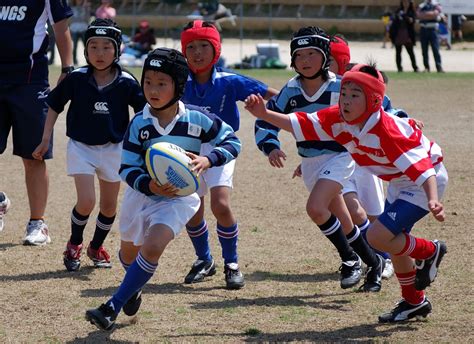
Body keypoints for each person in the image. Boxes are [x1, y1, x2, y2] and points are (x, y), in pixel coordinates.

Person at [245, 63, 448, 323]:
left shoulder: (386, 130)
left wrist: (432, 198)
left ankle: (429, 250)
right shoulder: (339, 117)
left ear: (374, 101)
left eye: (355, 95)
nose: (346, 100)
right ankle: (414, 302)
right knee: (393, 242)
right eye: (344, 93)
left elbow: (423, 168)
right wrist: (264, 113)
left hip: (422, 181)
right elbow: (300, 123)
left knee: (378, 237)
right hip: (400, 182)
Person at [85, 47, 241, 331]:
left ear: (178, 86)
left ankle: (112, 307)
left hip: (180, 199)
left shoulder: (197, 119)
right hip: (141, 195)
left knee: (154, 246)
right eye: (148, 82)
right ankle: (133, 289)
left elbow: (233, 142)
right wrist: (148, 183)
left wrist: (209, 158)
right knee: (129, 255)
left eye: (161, 83)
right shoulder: (140, 124)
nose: (152, 90)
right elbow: (127, 168)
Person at [254, 27, 385, 292]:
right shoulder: (290, 91)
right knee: (343, 218)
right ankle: (373, 263)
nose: (305, 60)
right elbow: (266, 121)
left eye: (312, 53)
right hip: (311, 161)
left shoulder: (342, 86)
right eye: (299, 54)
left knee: (315, 208)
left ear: (326, 55)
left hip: (340, 155)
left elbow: (379, 106)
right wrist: (271, 147)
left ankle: (349, 260)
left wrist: (402, 120)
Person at [32, 19, 146, 271]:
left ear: (118, 50)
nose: (100, 53)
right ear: (85, 50)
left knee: (108, 206)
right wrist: (45, 138)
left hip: (114, 149)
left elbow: (143, 114)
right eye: (94, 47)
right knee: (86, 202)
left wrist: (144, 145)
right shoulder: (77, 78)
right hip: (81, 147)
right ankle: (74, 244)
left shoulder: (127, 81)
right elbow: (54, 105)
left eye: (107, 47)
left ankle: (95, 246)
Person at [180, 20, 278, 290]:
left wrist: (296, 107)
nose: (197, 52)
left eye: (204, 46)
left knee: (220, 205)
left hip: (222, 147)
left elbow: (272, 94)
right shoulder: (178, 81)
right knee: (192, 209)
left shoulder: (229, 80)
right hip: (186, 149)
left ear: (216, 50)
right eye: (191, 47)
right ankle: (204, 260)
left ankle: (231, 263)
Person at [0, 0, 73, 246]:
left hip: (30, 82)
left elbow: (61, 27)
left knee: (34, 155)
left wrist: (67, 67)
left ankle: (37, 223)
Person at [328, 36, 394, 280]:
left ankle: (384, 256)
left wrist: (405, 119)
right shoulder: (318, 90)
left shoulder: (356, 82)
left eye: (329, 61)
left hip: (365, 163)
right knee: (353, 211)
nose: (322, 65)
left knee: (374, 215)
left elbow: (386, 107)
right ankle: (373, 257)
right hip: (337, 163)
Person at [390, 0, 419, 72]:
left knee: (411, 53)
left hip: (407, 35)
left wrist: (405, 16)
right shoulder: (398, 11)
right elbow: (394, 21)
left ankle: (415, 67)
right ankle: (399, 68)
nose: (405, 4)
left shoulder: (411, 11)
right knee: (398, 52)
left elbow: (412, 21)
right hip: (399, 34)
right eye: (404, 2)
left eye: (407, 2)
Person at [417, 0, 444, 72]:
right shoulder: (422, 5)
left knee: (436, 49)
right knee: (424, 50)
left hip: (433, 30)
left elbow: (435, 14)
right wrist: (430, 15)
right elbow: (418, 15)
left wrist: (424, 15)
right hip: (423, 30)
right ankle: (426, 67)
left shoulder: (437, 4)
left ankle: (439, 67)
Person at [70, 0, 91, 65]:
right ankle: (75, 61)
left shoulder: (86, 8)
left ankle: (89, 60)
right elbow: (71, 19)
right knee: (75, 46)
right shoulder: (71, 8)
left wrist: (86, 9)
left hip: (83, 29)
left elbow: (87, 19)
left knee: (86, 46)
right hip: (74, 29)